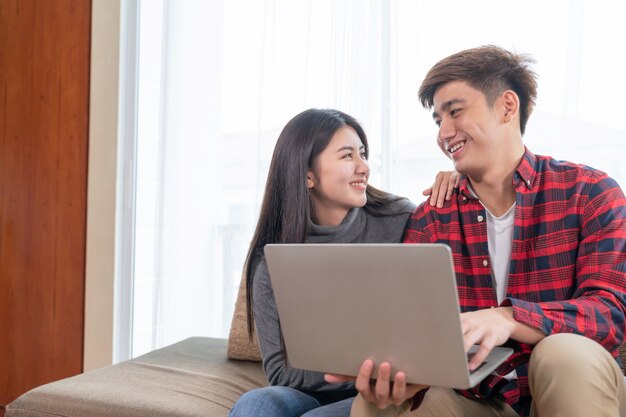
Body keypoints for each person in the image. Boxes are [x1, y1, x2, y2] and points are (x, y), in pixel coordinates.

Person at [331, 46, 626, 417]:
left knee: (562, 353)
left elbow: (609, 315)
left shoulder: (590, 192)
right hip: (479, 396)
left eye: (455, 112)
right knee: (371, 404)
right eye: (438, 120)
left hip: (573, 384)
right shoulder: (432, 218)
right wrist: (406, 372)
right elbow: (415, 330)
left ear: (506, 106)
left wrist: (508, 318)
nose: (444, 133)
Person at [229, 108, 458, 417]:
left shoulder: (399, 219)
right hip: (305, 394)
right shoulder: (271, 258)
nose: (363, 167)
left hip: (384, 395)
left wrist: (462, 184)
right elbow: (281, 373)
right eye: (348, 156)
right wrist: (355, 371)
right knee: (256, 403)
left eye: (362, 154)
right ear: (308, 174)